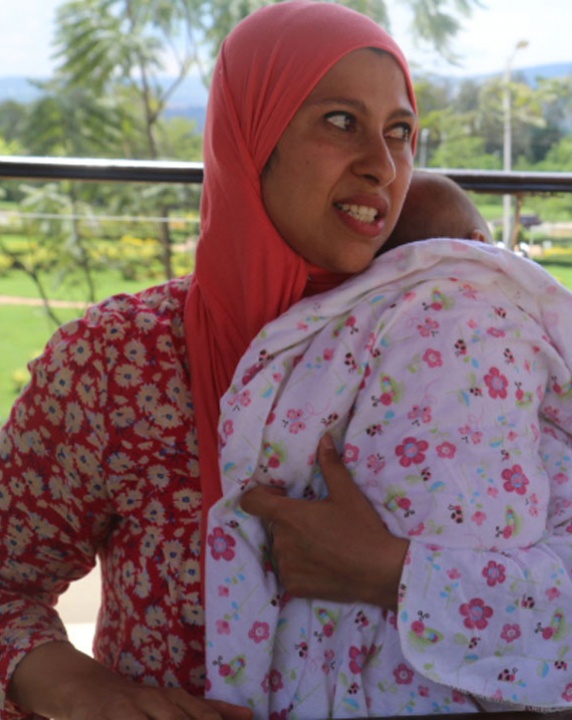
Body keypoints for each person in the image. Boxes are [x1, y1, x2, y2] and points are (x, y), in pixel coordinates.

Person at [0, 3, 421, 718]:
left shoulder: (445, 351)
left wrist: (394, 575)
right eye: (340, 121)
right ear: (252, 139)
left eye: (401, 132)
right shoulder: (121, 362)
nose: (382, 166)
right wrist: (87, 693)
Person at [205, 172, 572, 714]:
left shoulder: (340, 324)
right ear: (478, 243)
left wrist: (389, 567)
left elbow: (285, 444)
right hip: (486, 657)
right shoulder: (497, 317)